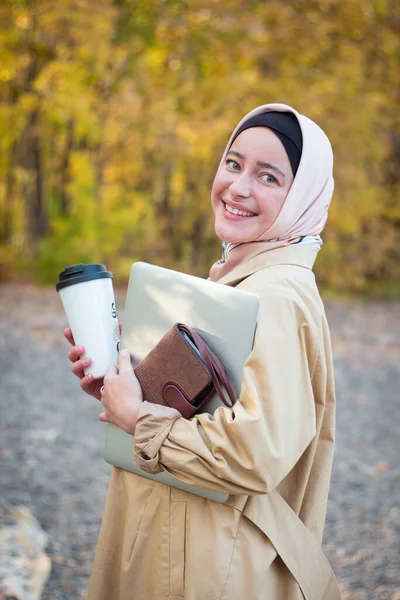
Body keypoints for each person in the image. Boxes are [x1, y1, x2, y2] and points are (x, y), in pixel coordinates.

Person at [65, 103, 339, 600]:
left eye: (268, 177)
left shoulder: (277, 294)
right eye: (233, 164)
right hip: (189, 541)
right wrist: (122, 389)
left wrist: (139, 420)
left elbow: (258, 452)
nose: (238, 187)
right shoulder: (244, 275)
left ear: (302, 196)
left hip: (210, 562)